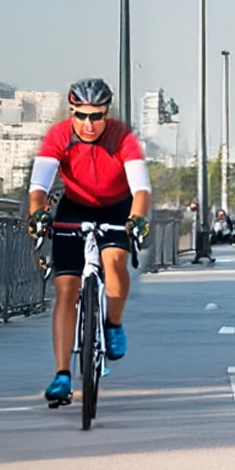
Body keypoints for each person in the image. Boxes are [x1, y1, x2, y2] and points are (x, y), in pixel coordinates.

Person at [27, 79, 152, 405]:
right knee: (66, 289)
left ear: (106, 114)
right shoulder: (59, 135)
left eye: (96, 116)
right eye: (81, 115)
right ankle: (62, 375)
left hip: (116, 207)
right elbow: (39, 185)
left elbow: (140, 188)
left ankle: (113, 323)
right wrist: (38, 213)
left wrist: (137, 218)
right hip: (74, 207)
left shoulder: (122, 137)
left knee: (113, 262)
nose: (88, 124)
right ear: (72, 112)